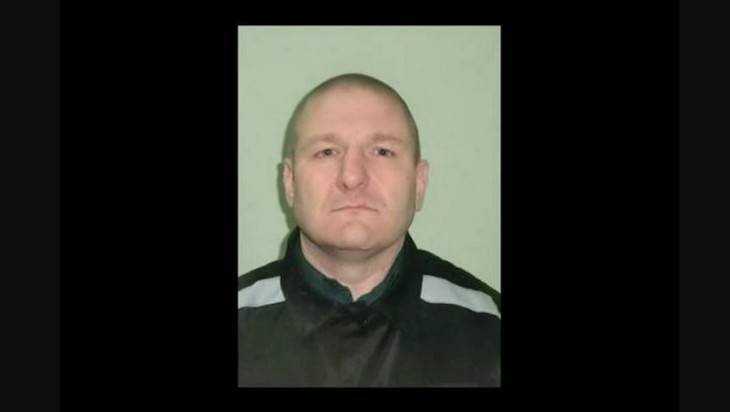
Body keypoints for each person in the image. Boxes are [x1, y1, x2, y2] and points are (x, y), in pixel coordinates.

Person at [238, 73, 501, 387]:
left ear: (419, 183)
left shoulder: (490, 327)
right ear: (290, 182)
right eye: (327, 151)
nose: (352, 177)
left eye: (382, 151)